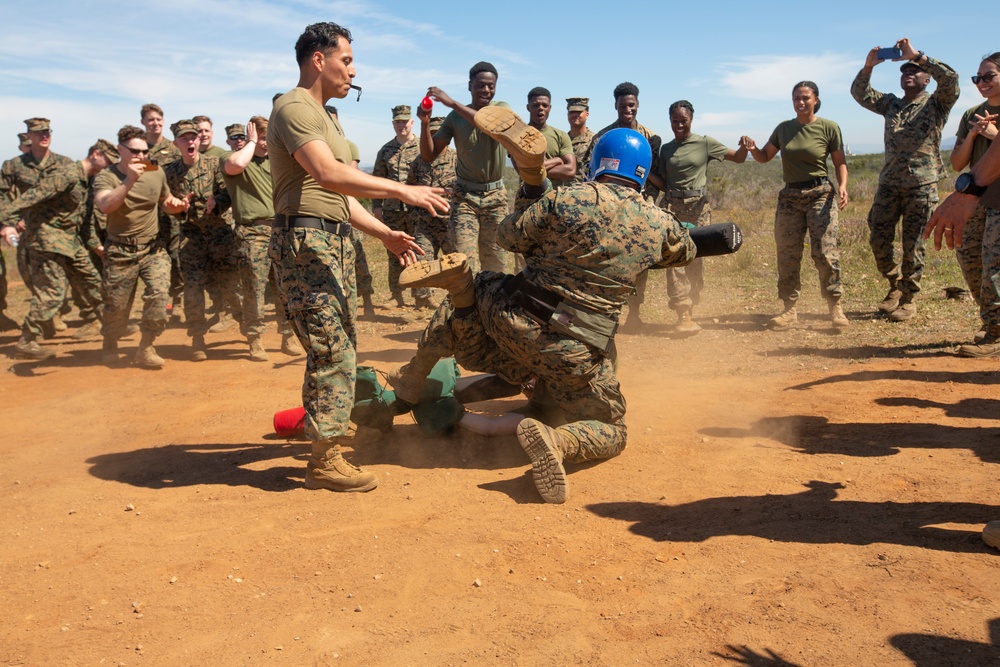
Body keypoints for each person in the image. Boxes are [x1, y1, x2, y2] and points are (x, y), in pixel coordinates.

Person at [389, 110, 696, 504]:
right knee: (612, 427)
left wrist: (533, 190)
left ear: (598, 161)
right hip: (574, 353)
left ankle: (416, 374)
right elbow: (683, 251)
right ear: (642, 171)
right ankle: (559, 439)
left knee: (478, 285)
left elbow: (508, 237)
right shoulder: (659, 223)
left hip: (512, 323)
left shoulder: (566, 198)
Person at [268, 21, 448, 492]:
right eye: (346, 60)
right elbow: (328, 174)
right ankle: (324, 460)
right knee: (332, 351)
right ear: (318, 60)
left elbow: (342, 197)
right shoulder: (293, 107)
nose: (353, 70)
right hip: (305, 244)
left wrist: (386, 232)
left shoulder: (328, 116)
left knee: (339, 345)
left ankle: (326, 426)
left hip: (330, 242)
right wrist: (403, 190)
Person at [851, 38, 960, 322]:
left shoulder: (937, 104)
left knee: (913, 243)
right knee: (878, 237)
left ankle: (909, 298)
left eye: (914, 71)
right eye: (904, 71)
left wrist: (919, 56)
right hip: (889, 184)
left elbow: (950, 80)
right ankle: (894, 284)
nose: (908, 74)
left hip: (921, 185)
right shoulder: (890, 104)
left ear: (926, 78)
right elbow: (860, 94)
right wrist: (868, 67)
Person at [741, 81, 850, 331]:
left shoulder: (829, 127)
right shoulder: (784, 129)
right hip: (790, 196)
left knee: (824, 251)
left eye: (805, 98)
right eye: (796, 98)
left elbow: (840, 162)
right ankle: (789, 310)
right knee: (787, 254)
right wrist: (752, 148)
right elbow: (765, 157)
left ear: (816, 99)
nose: (801, 103)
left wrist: (842, 186)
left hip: (820, 194)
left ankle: (835, 306)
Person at [0, 118, 107, 359]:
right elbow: (4, 196)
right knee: (49, 288)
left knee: (90, 278)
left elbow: (82, 206)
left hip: (68, 235)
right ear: (29, 135)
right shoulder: (14, 166)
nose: (43, 136)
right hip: (38, 234)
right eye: (38, 133)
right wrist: (8, 223)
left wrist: (90, 239)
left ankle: (111, 323)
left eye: (47, 131)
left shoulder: (64, 164)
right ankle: (32, 335)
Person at [646, 100, 748, 334]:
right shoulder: (667, 149)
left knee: (696, 258)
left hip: (698, 208)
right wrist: (647, 173)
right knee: (674, 258)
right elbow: (663, 182)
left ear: (691, 119)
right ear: (669, 121)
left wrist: (746, 146)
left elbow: (739, 158)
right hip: (672, 206)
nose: (679, 125)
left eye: (683, 120)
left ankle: (693, 299)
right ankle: (683, 311)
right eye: (675, 120)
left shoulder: (705, 143)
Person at [93, 125, 189, 367]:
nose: (141, 157)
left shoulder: (154, 171)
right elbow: (106, 206)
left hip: (152, 248)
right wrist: (129, 181)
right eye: (135, 151)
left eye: (144, 151)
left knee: (158, 295)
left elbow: (164, 200)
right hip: (120, 249)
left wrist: (175, 205)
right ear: (120, 150)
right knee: (116, 305)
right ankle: (110, 341)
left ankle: (146, 346)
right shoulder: (107, 176)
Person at [419, 62, 523, 274]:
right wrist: (424, 123)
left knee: (497, 263)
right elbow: (429, 155)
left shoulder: (501, 109)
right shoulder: (455, 118)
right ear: (470, 86)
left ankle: (492, 304)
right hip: (465, 198)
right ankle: (467, 306)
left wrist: (452, 103)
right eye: (481, 85)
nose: (486, 90)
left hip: (496, 198)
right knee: (463, 263)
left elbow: (485, 123)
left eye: (491, 86)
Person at [581, 82, 662, 328]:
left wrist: (647, 203)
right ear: (615, 106)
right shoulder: (602, 138)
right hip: (609, 209)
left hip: (639, 206)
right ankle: (605, 315)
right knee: (607, 259)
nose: (627, 110)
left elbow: (656, 176)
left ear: (637, 105)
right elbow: (590, 173)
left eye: (631, 105)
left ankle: (634, 314)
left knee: (638, 261)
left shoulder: (651, 138)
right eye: (622, 106)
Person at [222, 116, 303, 361]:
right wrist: (251, 143)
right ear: (251, 136)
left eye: (269, 137)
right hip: (252, 233)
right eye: (262, 138)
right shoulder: (234, 161)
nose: (266, 143)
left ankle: (288, 335)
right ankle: (255, 339)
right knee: (254, 290)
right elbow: (235, 164)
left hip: (280, 229)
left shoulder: (276, 161)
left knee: (285, 287)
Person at [163, 119, 240, 361]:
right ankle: (197, 339)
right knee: (193, 290)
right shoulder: (168, 172)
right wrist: (176, 208)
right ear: (176, 142)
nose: (190, 141)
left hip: (220, 235)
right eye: (184, 138)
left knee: (232, 289)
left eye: (193, 137)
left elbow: (228, 191)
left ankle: (252, 336)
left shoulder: (214, 164)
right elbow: (162, 201)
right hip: (191, 238)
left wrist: (217, 201)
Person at [946, 52, 1000, 357]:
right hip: (973, 198)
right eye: (977, 78)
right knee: (971, 260)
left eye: (988, 76)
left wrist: (995, 136)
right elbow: (956, 163)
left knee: (994, 263)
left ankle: (995, 333)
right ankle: (992, 321)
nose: (981, 83)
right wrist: (972, 134)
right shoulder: (972, 114)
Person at [372, 105, 431, 308]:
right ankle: (396, 295)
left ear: (412, 123)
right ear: (393, 124)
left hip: (417, 210)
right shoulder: (385, 151)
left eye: (405, 121)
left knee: (419, 252)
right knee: (394, 253)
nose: (401, 125)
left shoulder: (423, 147)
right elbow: (377, 180)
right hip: (392, 211)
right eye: (398, 122)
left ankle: (421, 297)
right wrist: (377, 207)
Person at [326, 104, 375, 317]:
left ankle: (368, 302)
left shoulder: (348, 146)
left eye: (334, 119)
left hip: (347, 211)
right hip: (326, 214)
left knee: (358, 260)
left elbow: (350, 178)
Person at [141, 103, 183, 318]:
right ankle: (159, 300)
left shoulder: (174, 149)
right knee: (152, 258)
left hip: (172, 213)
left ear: (163, 121)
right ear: (143, 123)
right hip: (148, 215)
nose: (155, 123)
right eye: (150, 120)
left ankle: (178, 300)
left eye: (158, 119)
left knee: (175, 257)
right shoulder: (139, 150)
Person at [407, 116, 457, 265]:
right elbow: (410, 189)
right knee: (421, 267)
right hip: (425, 224)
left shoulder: (458, 159)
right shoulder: (419, 162)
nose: (436, 138)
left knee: (457, 268)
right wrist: (414, 216)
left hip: (450, 224)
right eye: (432, 133)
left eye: (439, 134)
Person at [524, 87, 575, 188]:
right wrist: (557, 161)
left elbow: (570, 170)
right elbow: (523, 171)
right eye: (535, 105)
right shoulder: (518, 135)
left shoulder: (560, 136)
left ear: (550, 108)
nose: (541, 108)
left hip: (555, 197)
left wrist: (535, 170)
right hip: (528, 197)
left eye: (545, 105)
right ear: (528, 107)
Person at [565, 97, 593, 184]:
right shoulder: (562, 140)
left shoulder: (595, 140)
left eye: (578, 112)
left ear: (587, 114)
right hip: (562, 193)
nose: (574, 115)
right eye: (572, 112)